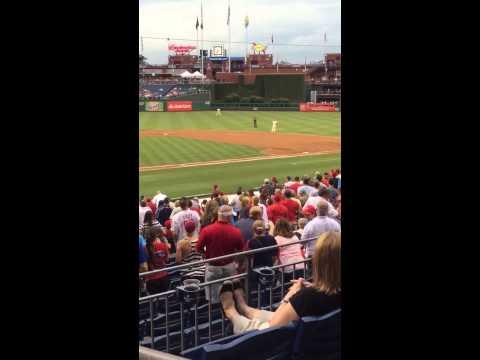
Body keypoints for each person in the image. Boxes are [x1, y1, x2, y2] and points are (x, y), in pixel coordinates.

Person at [219, 231, 341, 334]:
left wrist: (291, 294)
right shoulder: (315, 294)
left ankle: (231, 311)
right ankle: (244, 307)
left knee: (254, 320)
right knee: (256, 312)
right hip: (321, 341)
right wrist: (316, 287)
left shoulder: (307, 297)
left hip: (275, 337)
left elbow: (273, 327)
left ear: (318, 262)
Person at [196, 205, 245, 303]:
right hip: (229, 266)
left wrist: (206, 256)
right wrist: (237, 263)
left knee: (213, 298)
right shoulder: (235, 231)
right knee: (229, 297)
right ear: (228, 217)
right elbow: (241, 251)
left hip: (213, 267)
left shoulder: (207, 230)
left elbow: (198, 248)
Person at [144, 227, 170, 295]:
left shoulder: (145, 248)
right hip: (164, 277)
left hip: (151, 279)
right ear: (156, 236)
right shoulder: (163, 245)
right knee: (165, 299)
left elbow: (145, 264)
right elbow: (167, 259)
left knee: (152, 301)